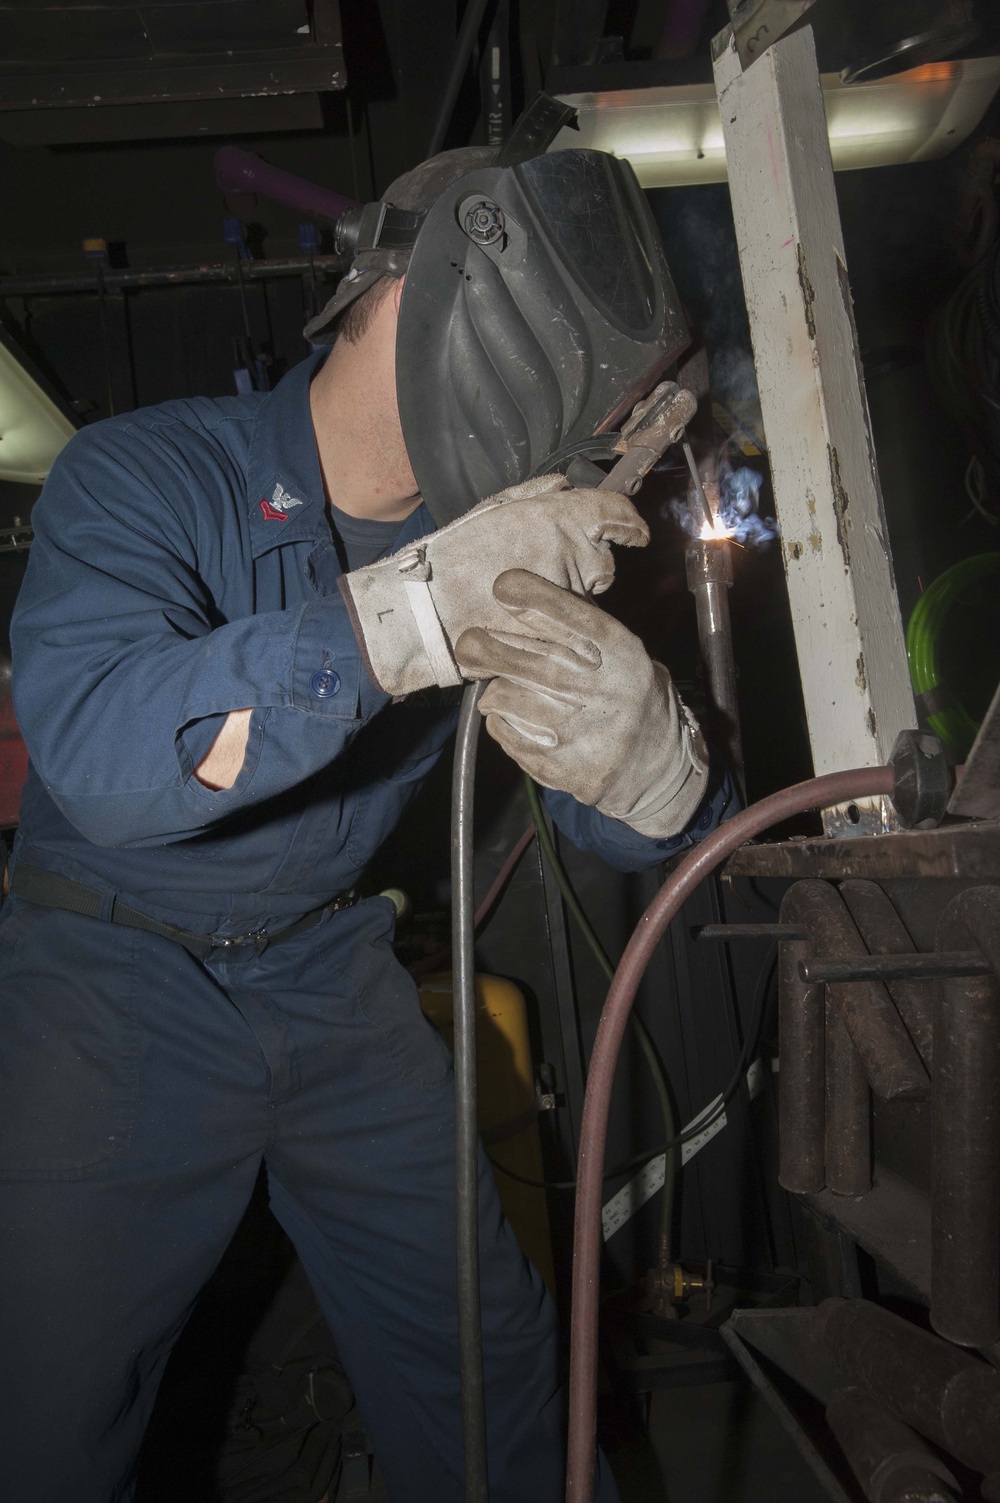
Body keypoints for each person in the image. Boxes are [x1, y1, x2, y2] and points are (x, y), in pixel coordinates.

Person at [0, 144, 732, 1502]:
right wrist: (398, 622)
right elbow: (105, 755)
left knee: (489, 1368)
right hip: (110, 981)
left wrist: (661, 783)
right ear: (421, 291)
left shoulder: (493, 536)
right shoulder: (142, 479)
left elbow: (615, 831)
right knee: (44, 1419)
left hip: (330, 978)